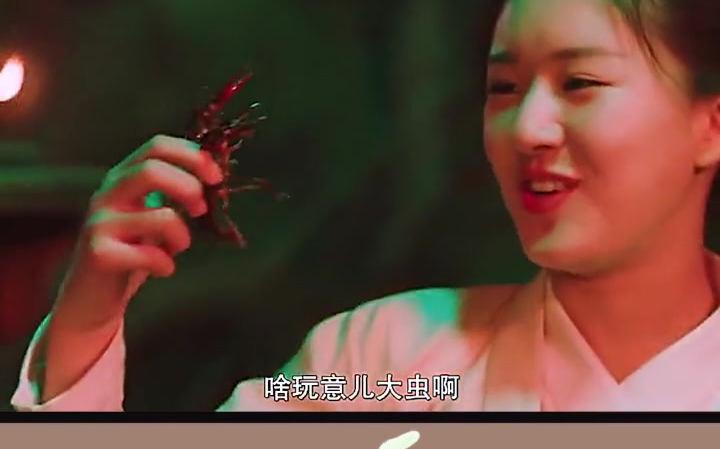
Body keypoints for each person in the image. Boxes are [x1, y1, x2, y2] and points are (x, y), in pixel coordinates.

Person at [11, 0, 720, 412]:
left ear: (710, 124)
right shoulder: (388, 361)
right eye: (503, 88)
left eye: (581, 82)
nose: (527, 128)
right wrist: (87, 322)